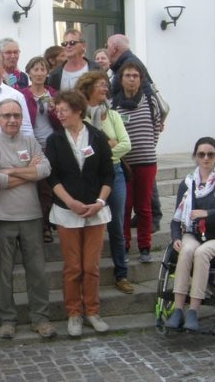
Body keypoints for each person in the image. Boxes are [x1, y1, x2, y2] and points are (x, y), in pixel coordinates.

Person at [0, 99, 56, 340]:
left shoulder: (31, 142)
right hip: (1, 218)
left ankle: (40, 318)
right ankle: (7, 319)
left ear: (22, 118)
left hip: (32, 216)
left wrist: (10, 171)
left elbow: (45, 170)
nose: (12, 119)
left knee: (37, 271)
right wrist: (27, 173)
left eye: (16, 115)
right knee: (3, 272)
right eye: (7, 115)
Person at [45, 90, 114, 337]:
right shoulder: (54, 140)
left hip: (95, 210)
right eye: (57, 110)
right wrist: (70, 202)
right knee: (73, 266)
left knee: (91, 266)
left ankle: (92, 312)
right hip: (67, 211)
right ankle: (73, 313)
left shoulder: (96, 136)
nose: (58, 114)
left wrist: (99, 202)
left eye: (63, 110)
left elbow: (108, 174)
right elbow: (51, 176)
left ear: (78, 111)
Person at [165, 137, 215, 331]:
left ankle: (193, 310)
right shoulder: (188, 183)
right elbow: (176, 218)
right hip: (194, 233)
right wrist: (176, 237)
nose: (206, 158)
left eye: (210, 154)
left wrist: (209, 214)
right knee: (186, 251)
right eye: (201, 154)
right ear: (195, 157)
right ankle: (177, 309)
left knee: (201, 253)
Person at [75, 71, 132, 293]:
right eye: (101, 85)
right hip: (90, 177)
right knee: (89, 226)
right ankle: (87, 276)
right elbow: (81, 151)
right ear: (89, 88)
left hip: (115, 173)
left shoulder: (113, 115)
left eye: (106, 85)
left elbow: (126, 145)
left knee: (117, 225)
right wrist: (108, 144)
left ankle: (121, 274)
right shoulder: (81, 118)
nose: (106, 89)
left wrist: (104, 152)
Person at [106, 33, 163, 232]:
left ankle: (152, 219)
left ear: (114, 49)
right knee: (134, 196)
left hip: (141, 150)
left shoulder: (129, 64)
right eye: (127, 76)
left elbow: (153, 118)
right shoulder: (125, 62)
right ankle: (148, 218)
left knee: (145, 193)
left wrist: (147, 143)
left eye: (107, 46)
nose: (131, 78)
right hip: (128, 149)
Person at [113, 62, 161, 263]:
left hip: (147, 162)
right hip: (124, 164)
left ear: (141, 79)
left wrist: (147, 147)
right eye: (127, 75)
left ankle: (145, 247)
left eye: (135, 76)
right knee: (125, 206)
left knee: (143, 207)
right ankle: (124, 245)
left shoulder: (150, 101)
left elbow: (156, 127)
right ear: (121, 79)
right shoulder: (112, 104)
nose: (131, 79)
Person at [20, 57, 61, 243]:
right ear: (29, 72)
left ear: (47, 73)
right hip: (29, 146)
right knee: (34, 188)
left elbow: (62, 121)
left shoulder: (53, 93)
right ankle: (37, 225)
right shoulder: (21, 95)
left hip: (51, 145)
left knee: (47, 188)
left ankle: (45, 225)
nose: (38, 73)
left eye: (42, 69)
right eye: (35, 69)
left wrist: (54, 108)